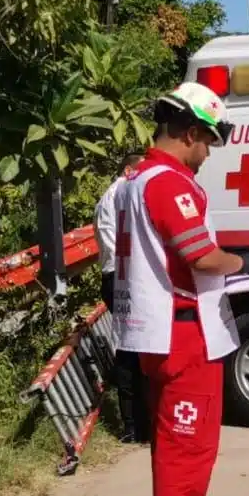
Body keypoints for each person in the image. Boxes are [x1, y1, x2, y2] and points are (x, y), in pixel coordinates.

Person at [114, 82, 249, 496]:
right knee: (188, 444)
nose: (208, 154)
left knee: (179, 440)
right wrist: (245, 263)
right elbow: (199, 256)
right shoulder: (169, 183)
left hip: (164, 332)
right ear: (189, 132)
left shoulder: (134, 178)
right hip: (184, 333)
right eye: (208, 141)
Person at [94, 152, 148, 443]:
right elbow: (113, 247)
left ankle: (142, 422)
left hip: (130, 277)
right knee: (130, 350)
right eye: (140, 170)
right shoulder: (113, 198)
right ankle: (131, 426)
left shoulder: (130, 195)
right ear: (128, 170)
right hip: (120, 277)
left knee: (140, 348)